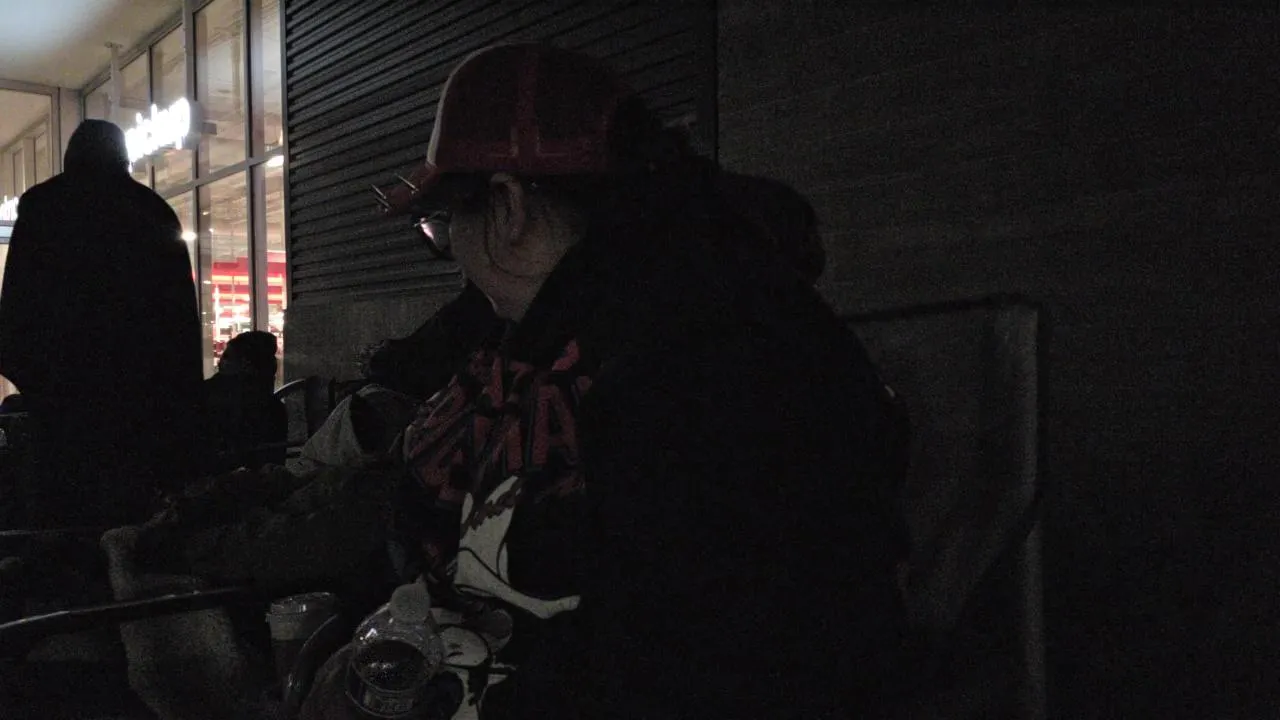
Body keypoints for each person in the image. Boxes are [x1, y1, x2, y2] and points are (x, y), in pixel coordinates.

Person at [302, 43, 911, 719]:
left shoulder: (705, 362)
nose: (456, 261)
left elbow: (698, 662)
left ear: (508, 206)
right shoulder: (632, 311)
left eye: (443, 228)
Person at [0, 120, 204, 528]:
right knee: (132, 513)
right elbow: (178, 320)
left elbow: (18, 305)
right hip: (140, 397)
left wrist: (36, 380)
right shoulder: (151, 211)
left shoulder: (44, 207)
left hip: (62, 396)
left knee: (66, 512)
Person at [204, 330, 289, 473]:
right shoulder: (272, 407)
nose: (220, 362)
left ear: (244, 363)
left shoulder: (212, 395)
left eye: (226, 357)